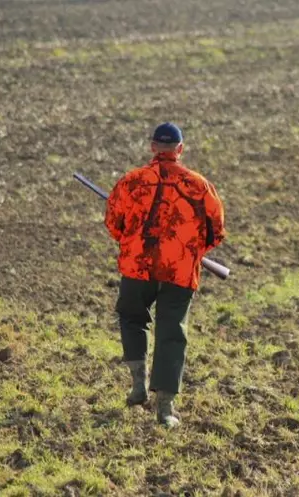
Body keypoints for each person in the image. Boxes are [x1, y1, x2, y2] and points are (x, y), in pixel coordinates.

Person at [104, 122, 225, 427]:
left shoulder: (130, 182)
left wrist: (132, 244)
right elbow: (216, 230)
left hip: (137, 267)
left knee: (132, 318)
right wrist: (191, 251)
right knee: (172, 332)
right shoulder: (199, 186)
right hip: (180, 270)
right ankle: (165, 409)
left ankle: (137, 386)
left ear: (152, 147)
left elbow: (113, 223)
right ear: (180, 150)